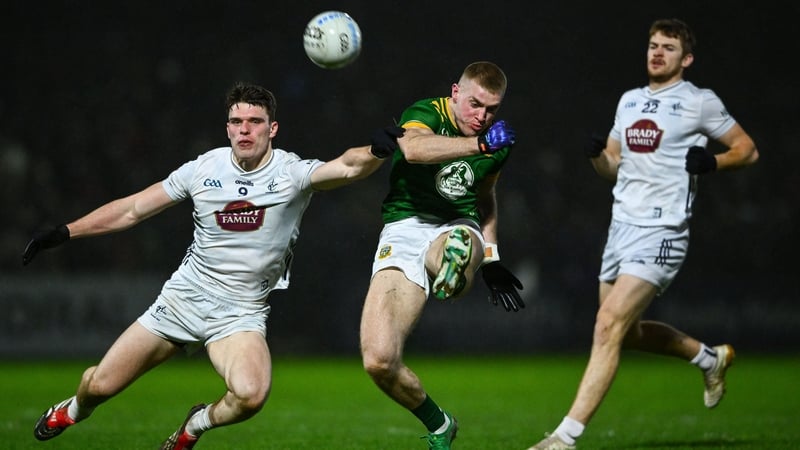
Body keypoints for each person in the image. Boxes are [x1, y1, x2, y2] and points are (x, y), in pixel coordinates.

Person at [22, 82, 388, 449]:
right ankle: (72, 410)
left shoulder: (290, 173)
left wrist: (375, 150)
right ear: (227, 127)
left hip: (240, 313)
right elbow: (133, 209)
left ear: (272, 128)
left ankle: (194, 425)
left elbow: (346, 167)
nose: (245, 129)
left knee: (251, 395)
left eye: (255, 121)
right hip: (183, 300)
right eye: (237, 121)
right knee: (98, 386)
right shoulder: (203, 169)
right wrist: (65, 232)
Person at [528, 18, 759, 450]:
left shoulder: (699, 102)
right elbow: (614, 167)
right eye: (653, 45)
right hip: (621, 229)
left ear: (686, 58)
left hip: (663, 229)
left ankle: (564, 438)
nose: (657, 52)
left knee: (607, 325)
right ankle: (710, 358)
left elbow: (747, 149)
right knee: (626, 333)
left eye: (668, 47)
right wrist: (597, 155)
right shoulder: (630, 101)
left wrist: (713, 163)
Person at [360, 61, 525, 450]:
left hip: (456, 223)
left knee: (455, 245)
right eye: (474, 104)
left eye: (491, 110)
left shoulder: (498, 143)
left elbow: (484, 197)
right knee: (379, 360)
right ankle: (440, 425)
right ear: (455, 92)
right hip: (402, 230)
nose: (482, 117)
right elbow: (414, 149)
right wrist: (480, 145)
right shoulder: (425, 112)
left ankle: (456, 264)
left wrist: (492, 256)